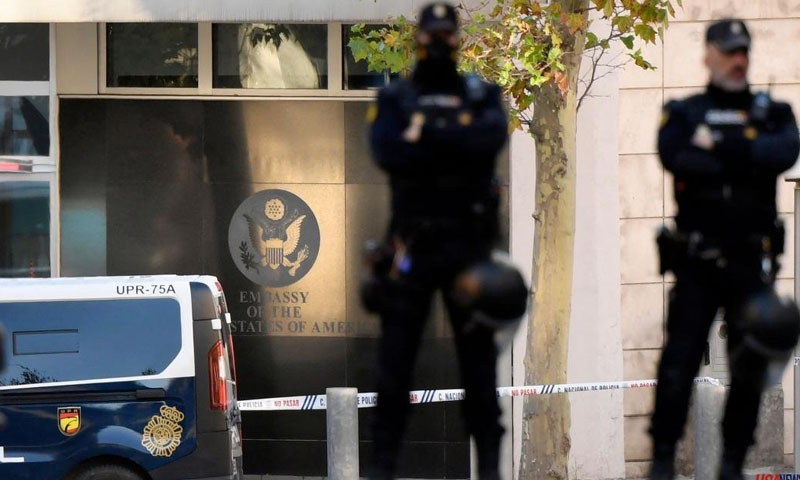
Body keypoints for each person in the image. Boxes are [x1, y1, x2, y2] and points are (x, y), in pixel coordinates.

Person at [365, 2, 511, 479]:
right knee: (395, 366)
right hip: (413, 247)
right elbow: (387, 152)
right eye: (432, 36)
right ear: (420, 40)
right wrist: (455, 136)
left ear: (458, 40)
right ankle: (383, 467)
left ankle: (490, 468)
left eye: (447, 35)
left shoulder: (482, 95)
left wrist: (422, 135)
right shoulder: (395, 97)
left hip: (468, 249)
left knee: (478, 368)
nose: (440, 44)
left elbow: (488, 143)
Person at [651, 18, 800, 480]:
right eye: (729, 51)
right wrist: (746, 149)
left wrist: (717, 145)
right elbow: (675, 154)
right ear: (709, 56)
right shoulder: (684, 112)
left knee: (749, 367)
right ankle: (661, 462)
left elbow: (784, 153)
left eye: (743, 52)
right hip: (697, 263)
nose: (738, 60)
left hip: (749, 266)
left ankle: (732, 463)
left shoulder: (775, 113)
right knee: (678, 364)